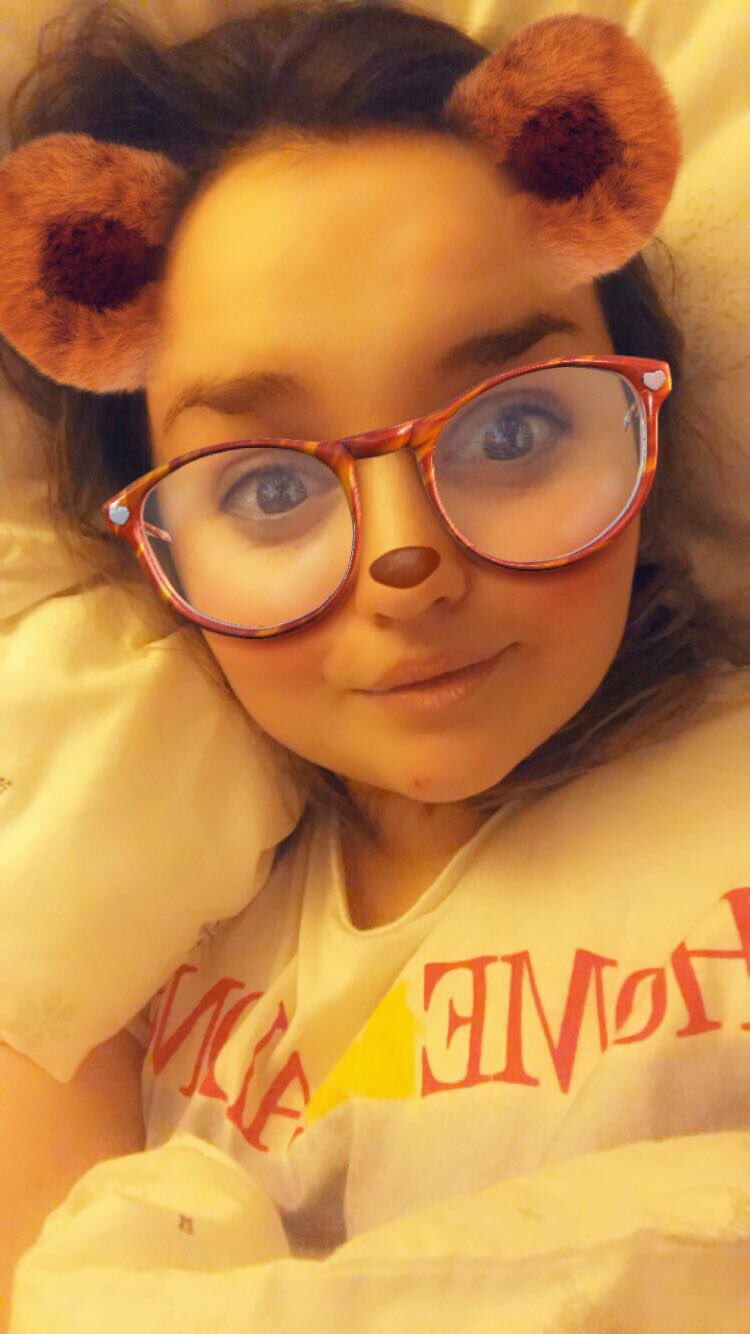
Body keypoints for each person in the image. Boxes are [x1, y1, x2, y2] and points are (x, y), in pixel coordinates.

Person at [0, 2, 748, 1329]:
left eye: (513, 430)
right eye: (268, 491)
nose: (410, 562)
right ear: (152, 540)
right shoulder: (128, 924)